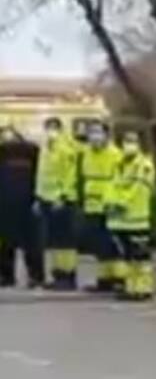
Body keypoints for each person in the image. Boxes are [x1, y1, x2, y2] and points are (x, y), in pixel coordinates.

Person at [107, 131, 156, 301]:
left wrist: (122, 203)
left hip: (137, 218)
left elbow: (139, 189)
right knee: (127, 257)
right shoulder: (119, 164)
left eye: (132, 141)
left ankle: (143, 288)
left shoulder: (144, 165)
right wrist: (110, 202)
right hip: (121, 220)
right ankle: (130, 287)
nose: (128, 145)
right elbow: (112, 185)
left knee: (141, 257)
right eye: (126, 141)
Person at [36, 117, 81, 291]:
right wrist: (39, 198)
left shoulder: (65, 149)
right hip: (47, 199)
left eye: (53, 128)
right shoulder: (47, 148)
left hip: (62, 201)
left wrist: (63, 197)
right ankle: (58, 274)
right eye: (47, 128)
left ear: (61, 129)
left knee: (65, 241)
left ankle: (68, 276)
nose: (50, 132)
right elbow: (42, 175)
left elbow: (69, 176)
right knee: (54, 241)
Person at [78, 121, 123, 292]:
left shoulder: (115, 154)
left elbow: (120, 179)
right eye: (92, 133)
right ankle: (104, 279)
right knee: (99, 244)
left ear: (106, 135)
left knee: (112, 243)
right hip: (92, 204)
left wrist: (116, 201)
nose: (95, 137)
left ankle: (118, 277)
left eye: (98, 132)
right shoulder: (87, 153)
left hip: (109, 203)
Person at [0, 122, 45, 287]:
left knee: (30, 244)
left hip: (26, 203)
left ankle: (34, 276)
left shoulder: (31, 152)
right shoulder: (6, 152)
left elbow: (41, 175)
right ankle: (9, 276)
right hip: (10, 203)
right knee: (7, 243)